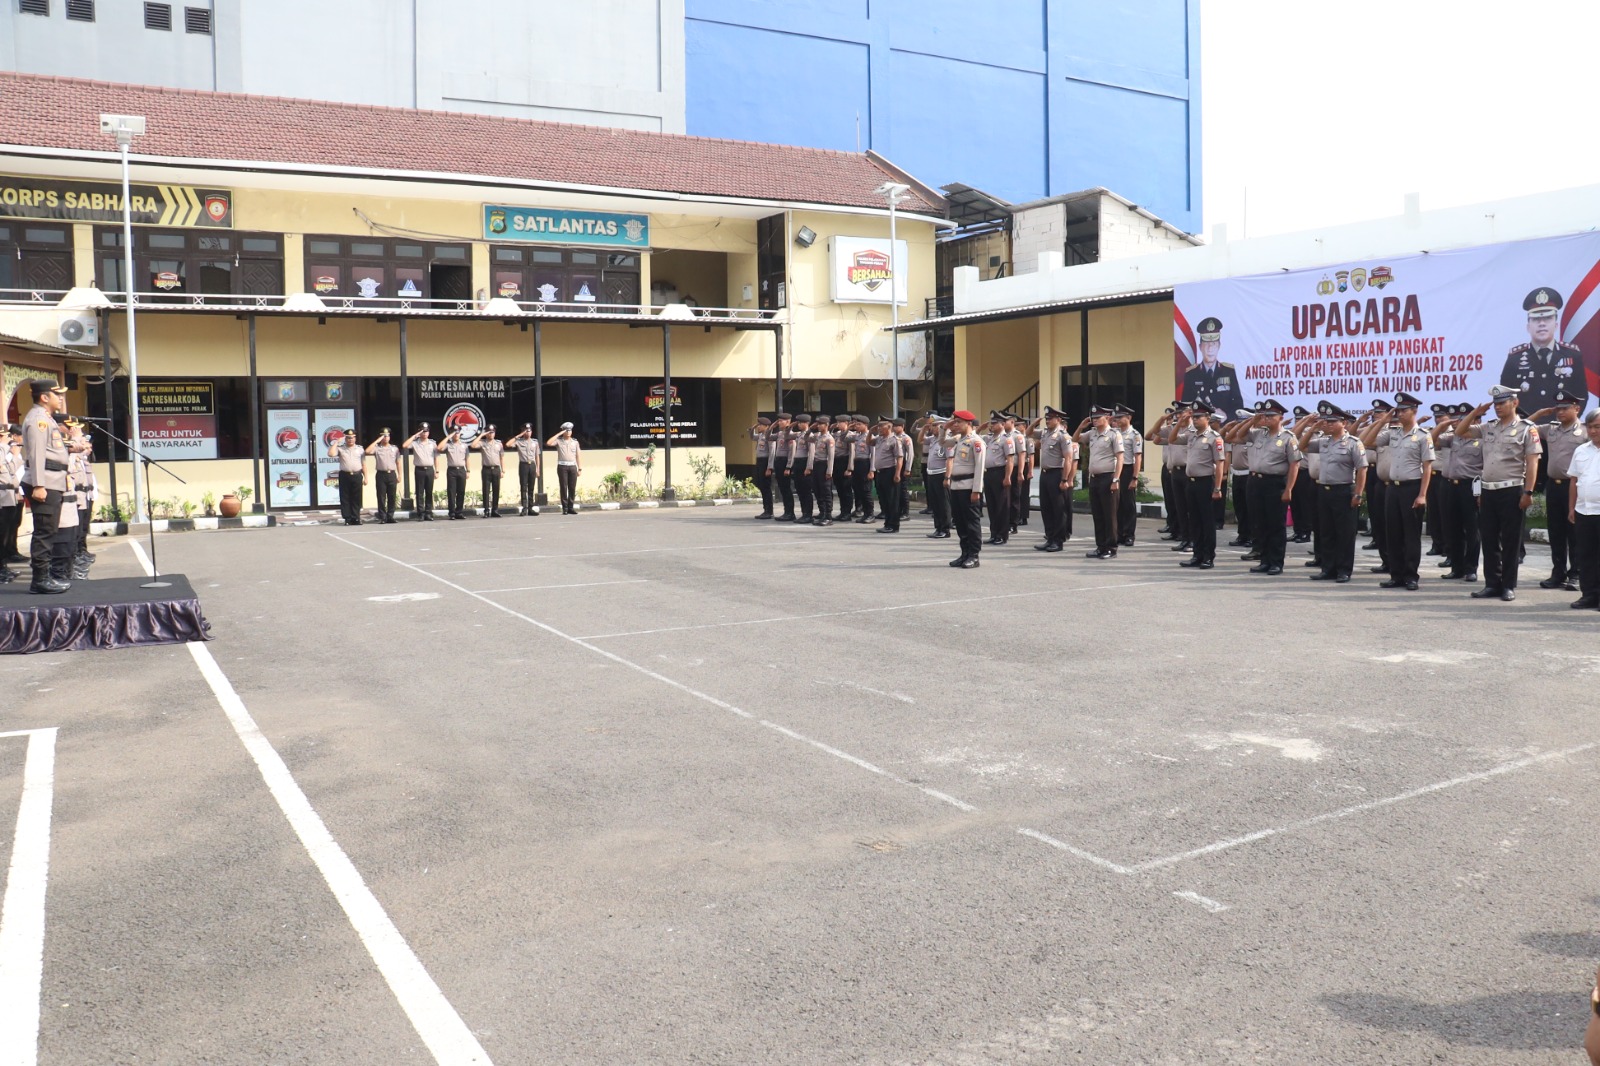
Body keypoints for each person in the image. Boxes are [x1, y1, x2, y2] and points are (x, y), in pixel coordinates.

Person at [1453, 384, 1542, 601]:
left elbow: (1532, 463)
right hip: (1488, 491)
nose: (1498, 408)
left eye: (1502, 403)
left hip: (1511, 490)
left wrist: (1528, 492)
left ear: (1515, 403)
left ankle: (1508, 585)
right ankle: (1492, 583)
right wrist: (1475, 413)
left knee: (1510, 542)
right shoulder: (1488, 427)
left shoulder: (1526, 429)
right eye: (1495, 404)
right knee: (1490, 540)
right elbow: (1460, 431)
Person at [1299, 402, 1368, 583]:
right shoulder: (1323, 442)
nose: (1327, 424)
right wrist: (1313, 426)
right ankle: (1327, 568)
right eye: (1326, 421)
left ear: (1343, 423)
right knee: (1326, 531)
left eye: (1332, 421)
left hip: (1344, 490)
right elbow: (1301, 446)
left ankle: (1344, 570)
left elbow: (1362, 469)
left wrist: (1358, 494)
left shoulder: (1354, 443)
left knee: (1344, 533)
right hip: (1324, 490)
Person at [1377, 392, 1435, 591]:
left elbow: (1427, 467)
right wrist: (1384, 420)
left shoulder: (1423, 436)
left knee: (1411, 535)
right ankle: (1396, 575)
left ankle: (1411, 576)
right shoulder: (1393, 433)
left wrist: (1422, 494)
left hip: (1412, 488)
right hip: (1393, 488)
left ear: (1414, 411)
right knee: (1392, 533)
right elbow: (1366, 440)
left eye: (1404, 410)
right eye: (1398, 410)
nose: (1399, 414)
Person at [1531, 391, 1585, 590]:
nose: (1560, 412)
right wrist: (1539, 413)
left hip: (1575, 487)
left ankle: (1576, 574)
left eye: (1565, 408)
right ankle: (1558, 572)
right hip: (1553, 486)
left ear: (1576, 409)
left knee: (1575, 532)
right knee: (1556, 532)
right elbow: (1525, 427)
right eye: (1558, 408)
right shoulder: (1550, 429)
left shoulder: (1586, 432)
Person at [20, 379, 70, 594]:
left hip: (52, 480)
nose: (61, 398)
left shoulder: (46, 419)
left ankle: (45, 576)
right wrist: (39, 485)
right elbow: (37, 453)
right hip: (44, 482)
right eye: (56, 394)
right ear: (44, 397)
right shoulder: (38, 420)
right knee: (44, 532)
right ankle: (40, 580)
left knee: (49, 531)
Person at [1499, 287, 1584, 413]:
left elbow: (1581, 396)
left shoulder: (1572, 355)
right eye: (1536, 319)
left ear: (1556, 324)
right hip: (1526, 429)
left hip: (1563, 428)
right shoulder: (1515, 359)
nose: (1542, 323)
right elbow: (1505, 398)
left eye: (1548, 318)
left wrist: (1568, 425)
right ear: (1528, 326)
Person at [1241, 399, 1300, 575]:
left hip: (1274, 484)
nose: (1267, 419)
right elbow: (1237, 435)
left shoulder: (1288, 438)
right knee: (1259, 523)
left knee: (1276, 525)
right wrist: (1253, 421)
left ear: (1281, 417)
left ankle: (1276, 562)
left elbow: (1294, 465)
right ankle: (1264, 560)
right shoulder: (1259, 433)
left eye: (1271, 416)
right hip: (1255, 483)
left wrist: (1289, 489)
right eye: (1265, 416)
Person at [1432, 404, 1482, 582]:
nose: (1458, 422)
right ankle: (1457, 567)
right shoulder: (1452, 437)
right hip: (1449, 485)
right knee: (1452, 527)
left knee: (1472, 529)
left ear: (1475, 420)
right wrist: (1442, 425)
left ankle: (1471, 568)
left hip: (1470, 486)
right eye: (1458, 419)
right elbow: (1431, 441)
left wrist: (1480, 493)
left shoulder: (1483, 439)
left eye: (1463, 418)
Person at [1174, 401, 1225, 569]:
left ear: (1208, 418)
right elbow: (1172, 439)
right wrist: (1181, 423)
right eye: (1193, 417)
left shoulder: (1214, 438)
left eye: (1198, 417)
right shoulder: (1191, 435)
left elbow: (1219, 463)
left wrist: (1217, 487)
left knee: (1207, 522)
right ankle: (1197, 554)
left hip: (1205, 483)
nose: (1195, 420)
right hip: (1191, 482)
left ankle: (1208, 556)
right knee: (1194, 520)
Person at [1076, 406, 1124, 558]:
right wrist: (1080, 426)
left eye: (1098, 417)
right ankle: (1100, 546)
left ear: (1107, 418)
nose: (1095, 420)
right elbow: (1074, 439)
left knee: (1109, 515)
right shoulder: (1092, 434)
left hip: (1108, 477)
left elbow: (1120, 458)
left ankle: (1111, 548)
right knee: (1097, 514)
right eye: (1093, 418)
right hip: (1095, 479)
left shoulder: (1114, 434)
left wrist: (1116, 479)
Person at [1566, 408, 1600, 609]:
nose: (1593, 431)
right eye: (1590, 427)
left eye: (1598, 427)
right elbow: (1574, 481)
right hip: (1583, 511)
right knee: (1585, 555)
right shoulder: (1581, 450)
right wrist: (1572, 507)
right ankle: (1589, 595)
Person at [943, 410, 985, 568]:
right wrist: (944, 428)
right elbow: (942, 442)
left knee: (971, 523)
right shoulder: (959, 439)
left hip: (969, 487)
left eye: (958, 422)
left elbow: (980, 467)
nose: (955, 425)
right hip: (956, 486)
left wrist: (977, 490)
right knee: (960, 522)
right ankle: (964, 553)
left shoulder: (976, 441)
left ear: (968, 423)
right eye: (954, 422)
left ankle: (974, 555)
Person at [1182, 317, 1247, 415]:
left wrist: (1226, 416)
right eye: (1206, 343)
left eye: (1214, 344)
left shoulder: (1228, 372)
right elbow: (1185, 408)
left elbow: (1238, 406)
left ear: (1219, 346)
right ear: (1200, 347)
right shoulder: (1191, 374)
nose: (1210, 348)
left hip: (1225, 428)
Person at [1033, 406, 1074, 552]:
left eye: (1050, 418)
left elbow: (1069, 459)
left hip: (1056, 474)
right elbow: (1028, 433)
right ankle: (1049, 538)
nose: (1047, 421)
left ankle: (1058, 540)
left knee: (1058, 509)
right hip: (1044, 474)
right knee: (1046, 508)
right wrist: (1035, 423)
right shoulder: (1045, 433)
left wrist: (1065, 480)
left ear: (1058, 420)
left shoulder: (1063, 435)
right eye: (1046, 418)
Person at [981, 412, 1015, 544]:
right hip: (989, 473)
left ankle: (1002, 534)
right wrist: (980, 428)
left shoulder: (1006, 439)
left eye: (995, 423)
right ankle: (994, 533)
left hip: (1000, 472)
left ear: (1002, 424)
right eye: (991, 423)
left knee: (1001, 505)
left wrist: (1007, 477)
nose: (992, 425)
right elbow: (975, 435)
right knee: (991, 505)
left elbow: (1010, 459)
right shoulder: (989, 438)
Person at [1222, 409, 1253, 550]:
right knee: (1239, 508)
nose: (1240, 426)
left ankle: (1251, 536)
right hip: (1237, 475)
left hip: (1248, 475)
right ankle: (1242, 535)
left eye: (1243, 423)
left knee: (1249, 509)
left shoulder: (1253, 437)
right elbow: (1225, 437)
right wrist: (1231, 426)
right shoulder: (1236, 437)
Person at [870, 416, 905, 533]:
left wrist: (897, 474)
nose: (879, 428)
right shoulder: (879, 439)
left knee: (892, 500)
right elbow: (869, 442)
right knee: (884, 500)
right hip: (880, 472)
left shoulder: (894, 440)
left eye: (881, 426)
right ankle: (887, 523)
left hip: (890, 472)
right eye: (878, 426)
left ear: (889, 427)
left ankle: (893, 525)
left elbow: (899, 458)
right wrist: (870, 431)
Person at [1114, 404, 1142, 546]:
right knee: (1117, 504)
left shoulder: (1135, 435)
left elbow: (1138, 457)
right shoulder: (1115, 433)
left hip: (1127, 470)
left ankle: (1129, 534)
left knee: (1128, 504)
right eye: (1116, 417)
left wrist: (1135, 477)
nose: (1117, 419)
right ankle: (1119, 533)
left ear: (1129, 418)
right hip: (1115, 470)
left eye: (1121, 417)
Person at [921, 414, 952, 539]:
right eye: (932, 425)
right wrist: (924, 429)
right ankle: (938, 527)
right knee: (935, 503)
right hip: (932, 474)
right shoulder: (933, 439)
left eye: (935, 426)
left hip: (941, 474)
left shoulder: (947, 441)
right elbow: (920, 440)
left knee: (943, 503)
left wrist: (947, 477)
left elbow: (950, 459)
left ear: (942, 427)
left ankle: (945, 529)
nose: (932, 428)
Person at [328, 427, 366, 525]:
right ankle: (347, 519)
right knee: (345, 497)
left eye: (352, 437)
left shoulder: (360, 449)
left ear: (355, 438)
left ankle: (356, 518)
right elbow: (331, 454)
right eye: (348, 438)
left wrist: (366, 477)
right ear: (345, 439)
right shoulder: (341, 449)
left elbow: (363, 464)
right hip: (345, 475)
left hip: (357, 475)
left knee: (357, 498)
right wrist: (336, 442)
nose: (350, 439)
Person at [404, 424, 439, 520]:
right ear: (419, 432)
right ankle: (421, 513)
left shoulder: (432, 443)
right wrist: (415, 436)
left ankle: (428, 513)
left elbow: (436, 458)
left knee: (429, 492)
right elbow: (405, 445)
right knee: (419, 492)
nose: (425, 433)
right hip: (419, 470)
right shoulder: (415, 443)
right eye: (423, 431)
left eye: (426, 431)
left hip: (430, 469)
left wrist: (437, 471)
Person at [765, 413, 796, 521]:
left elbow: (792, 452)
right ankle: (786, 511)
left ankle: (790, 513)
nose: (779, 423)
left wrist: (788, 467)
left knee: (786, 489)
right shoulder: (779, 434)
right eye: (778, 421)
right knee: (782, 488)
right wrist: (771, 427)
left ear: (788, 422)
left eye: (781, 421)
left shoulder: (790, 435)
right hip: (778, 461)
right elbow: (767, 437)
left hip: (785, 462)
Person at [365, 428, 400, 523]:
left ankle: (390, 516)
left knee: (392, 496)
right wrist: (377, 441)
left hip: (392, 474)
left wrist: (400, 475)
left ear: (389, 437)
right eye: (383, 436)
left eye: (387, 436)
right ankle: (383, 517)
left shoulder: (394, 448)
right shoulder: (377, 448)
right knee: (381, 497)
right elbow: (367, 451)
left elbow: (398, 462)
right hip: (381, 474)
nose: (385, 438)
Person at [546, 422, 581, 515]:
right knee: (564, 487)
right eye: (566, 430)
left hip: (573, 466)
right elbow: (548, 443)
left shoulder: (575, 442)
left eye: (570, 430)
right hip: (562, 466)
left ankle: (571, 507)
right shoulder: (559, 441)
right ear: (563, 431)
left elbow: (578, 456)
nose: (569, 432)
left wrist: (579, 468)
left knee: (572, 487)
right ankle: (565, 508)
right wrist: (559, 434)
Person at [807, 414, 835, 526]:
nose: (818, 426)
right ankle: (822, 513)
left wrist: (829, 471)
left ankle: (828, 516)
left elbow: (831, 456)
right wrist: (810, 429)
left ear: (827, 425)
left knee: (826, 491)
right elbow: (806, 438)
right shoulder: (817, 436)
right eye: (817, 424)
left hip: (824, 465)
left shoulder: (829, 439)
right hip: (816, 465)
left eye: (821, 424)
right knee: (817, 490)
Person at [472, 424, 505, 517]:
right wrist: (481, 435)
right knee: (486, 490)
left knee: (496, 490)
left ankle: (495, 510)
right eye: (489, 433)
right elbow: (473, 445)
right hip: (486, 469)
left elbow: (502, 457)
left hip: (496, 469)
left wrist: (503, 470)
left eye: (492, 432)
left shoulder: (499, 443)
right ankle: (486, 510)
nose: (491, 434)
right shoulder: (482, 443)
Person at [0, 426, 20, 582]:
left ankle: (3, 566)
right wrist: (4, 446)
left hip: (8, 496)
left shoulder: (4, 452)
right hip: (1, 497)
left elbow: (12, 471)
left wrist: (14, 455)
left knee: (6, 533)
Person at [788, 414, 815, 522]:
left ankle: (808, 514)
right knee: (799, 490)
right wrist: (790, 426)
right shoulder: (799, 435)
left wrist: (809, 467)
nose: (798, 424)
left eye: (800, 422)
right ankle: (804, 513)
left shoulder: (810, 436)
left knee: (806, 490)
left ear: (807, 423)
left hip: (805, 463)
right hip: (798, 463)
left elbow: (811, 452)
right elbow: (786, 435)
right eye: (798, 422)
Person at [511, 424, 541, 516]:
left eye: (530, 431)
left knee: (531, 487)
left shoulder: (535, 442)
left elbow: (537, 456)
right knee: (524, 487)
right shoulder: (519, 441)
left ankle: (530, 508)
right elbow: (508, 444)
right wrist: (519, 435)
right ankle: (524, 508)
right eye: (526, 431)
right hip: (523, 465)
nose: (528, 432)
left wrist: (538, 469)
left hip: (532, 465)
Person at [443, 425, 471, 519]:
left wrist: (468, 470)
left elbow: (467, 459)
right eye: (454, 433)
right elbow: (439, 448)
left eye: (457, 432)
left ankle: (459, 512)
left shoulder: (464, 445)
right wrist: (448, 437)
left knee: (461, 491)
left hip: (462, 470)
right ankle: (451, 513)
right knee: (451, 492)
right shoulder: (448, 445)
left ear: (460, 433)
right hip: (452, 470)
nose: (456, 435)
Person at [849, 415, 874, 522]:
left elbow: (873, 454)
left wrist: (872, 470)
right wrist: (849, 428)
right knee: (859, 490)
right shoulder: (857, 436)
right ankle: (864, 513)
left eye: (859, 424)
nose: (857, 426)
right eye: (856, 424)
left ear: (866, 425)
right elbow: (844, 438)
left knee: (866, 490)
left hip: (865, 464)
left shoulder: (870, 437)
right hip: (857, 463)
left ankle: (870, 514)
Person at [750, 414, 774, 519]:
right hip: (759, 461)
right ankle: (766, 509)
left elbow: (772, 453)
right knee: (759, 484)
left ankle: (769, 511)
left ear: (766, 426)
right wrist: (752, 429)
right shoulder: (760, 436)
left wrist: (769, 467)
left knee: (766, 487)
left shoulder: (770, 437)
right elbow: (752, 437)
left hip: (765, 462)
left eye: (760, 425)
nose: (758, 426)